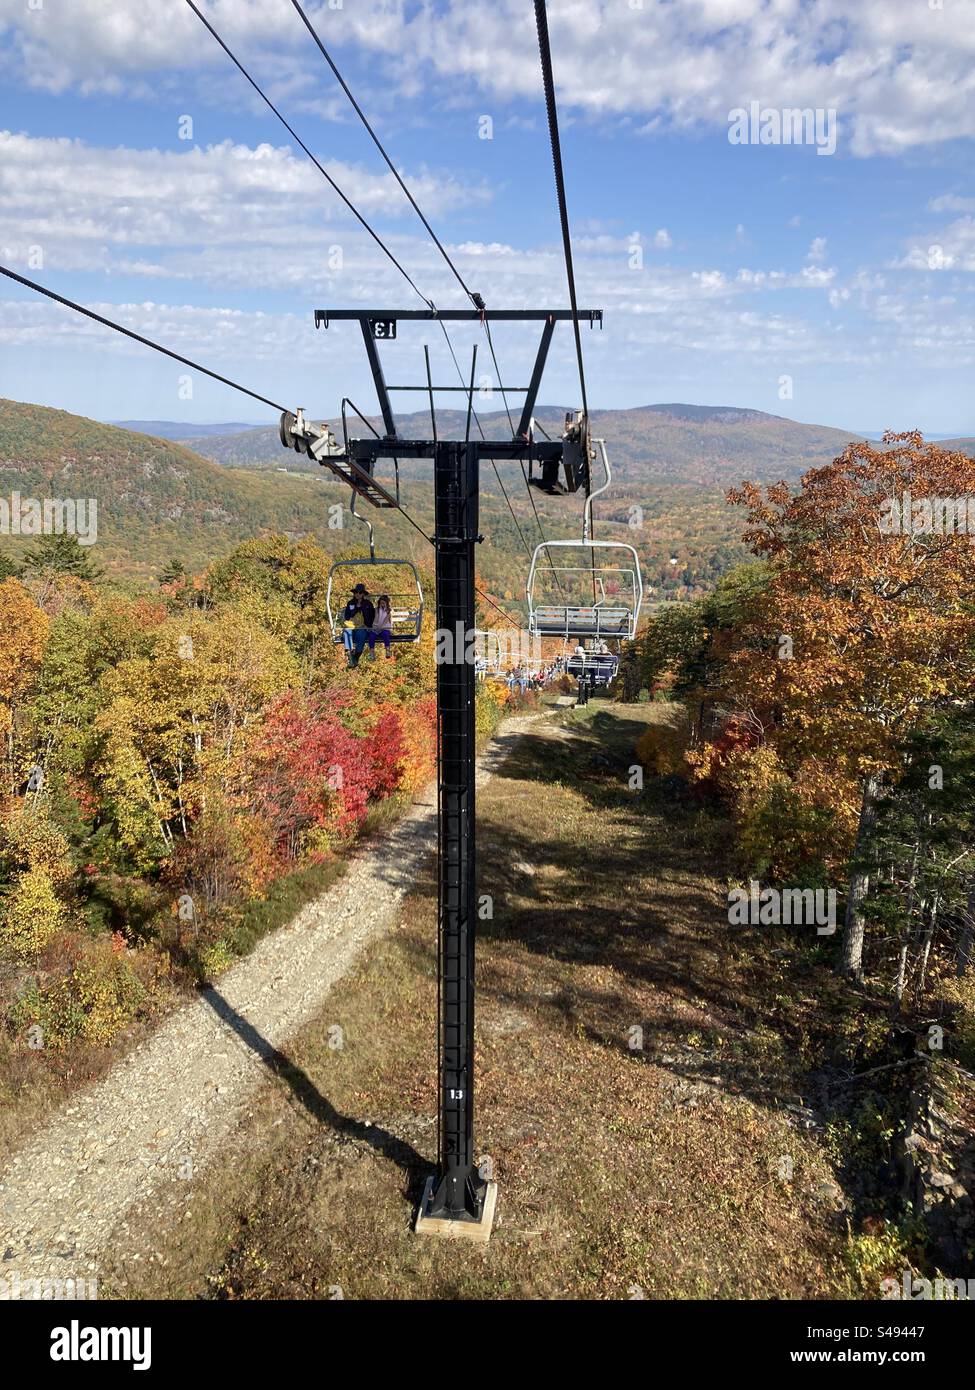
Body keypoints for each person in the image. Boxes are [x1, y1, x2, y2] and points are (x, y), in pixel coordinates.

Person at [341, 583, 375, 668]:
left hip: (364, 627)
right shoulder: (350, 603)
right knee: (347, 631)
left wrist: (369, 626)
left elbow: (372, 616)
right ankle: (349, 652)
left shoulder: (368, 604)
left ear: (363, 594)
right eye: (356, 593)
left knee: (361, 634)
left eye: (360, 593)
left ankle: (355, 658)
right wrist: (354, 611)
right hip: (353, 626)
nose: (358, 594)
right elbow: (347, 616)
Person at [367, 593, 394, 660]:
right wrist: (375, 626)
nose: (382, 605)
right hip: (377, 627)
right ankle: (372, 652)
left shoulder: (390, 610)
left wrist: (381, 626)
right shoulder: (377, 610)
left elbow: (387, 619)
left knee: (385, 634)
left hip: (385, 627)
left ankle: (387, 650)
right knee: (371, 635)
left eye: (383, 603)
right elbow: (376, 619)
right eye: (381, 603)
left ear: (386, 603)